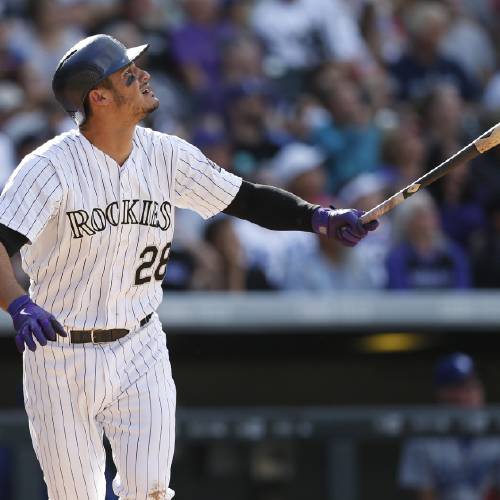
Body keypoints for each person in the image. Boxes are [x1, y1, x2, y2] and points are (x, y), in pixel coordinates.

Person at [0, 34, 378, 499]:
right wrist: (16, 302)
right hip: (61, 352)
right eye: (129, 75)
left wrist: (316, 217)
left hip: (141, 344)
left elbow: (246, 198)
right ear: (98, 97)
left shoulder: (166, 154)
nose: (144, 77)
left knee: (152, 490)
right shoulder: (48, 167)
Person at [398, 352, 500, 500]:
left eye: (472, 386)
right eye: (458, 387)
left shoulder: (495, 428)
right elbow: (422, 493)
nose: (467, 395)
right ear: (441, 393)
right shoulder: (424, 434)